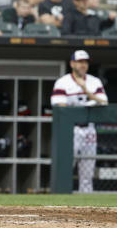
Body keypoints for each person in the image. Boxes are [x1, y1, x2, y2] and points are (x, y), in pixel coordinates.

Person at [51, 50, 108, 193]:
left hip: (89, 129)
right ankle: (61, 201)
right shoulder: (62, 82)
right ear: (72, 63)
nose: (83, 65)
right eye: (80, 62)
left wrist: (85, 90)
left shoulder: (94, 82)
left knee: (87, 172)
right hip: (71, 130)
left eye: (85, 62)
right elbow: (59, 106)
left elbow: (104, 102)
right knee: (65, 168)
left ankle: (86, 208)